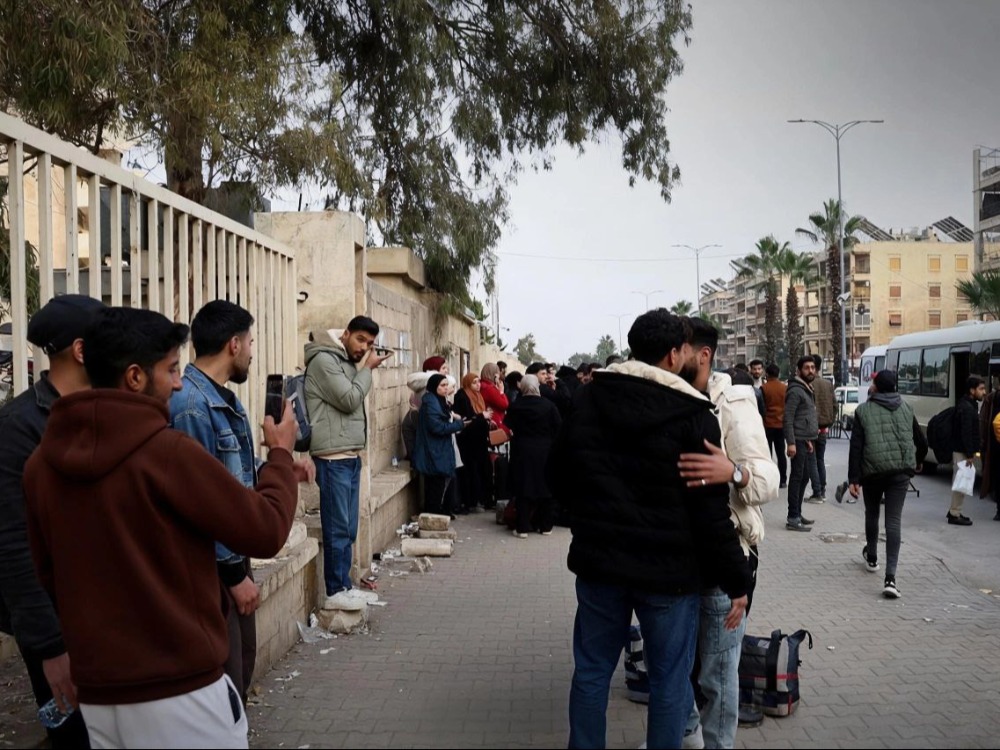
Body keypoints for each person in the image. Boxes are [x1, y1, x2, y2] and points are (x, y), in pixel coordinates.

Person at [23, 306, 300, 749]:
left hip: (100, 698)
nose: (178, 381)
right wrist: (281, 456)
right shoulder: (167, 454)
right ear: (135, 377)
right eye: (171, 369)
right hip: (181, 695)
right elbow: (265, 529)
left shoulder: (41, 466)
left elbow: (49, 575)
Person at [550, 309, 750, 750]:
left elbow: (557, 475)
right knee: (669, 681)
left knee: (591, 673)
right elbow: (709, 513)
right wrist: (738, 578)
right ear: (675, 354)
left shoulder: (588, 400)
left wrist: (590, 515)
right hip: (669, 578)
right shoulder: (694, 415)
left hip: (600, 568)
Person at [169, 300, 314, 703]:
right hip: (214, 565)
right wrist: (233, 576)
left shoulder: (223, 399)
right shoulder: (192, 407)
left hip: (231, 556)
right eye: (250, 341)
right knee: (225, 678)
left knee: (241, 665)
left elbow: (228, 469)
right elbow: (202, 500)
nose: (252, 350)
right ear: (234, 344)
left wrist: (281, 467)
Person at [0, 295, 103, 748]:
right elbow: (13, 545)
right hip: (58, 625)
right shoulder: (18, 427)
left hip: (108, 614)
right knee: (73, 736)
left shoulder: (106, 411)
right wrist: (49, 648)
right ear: (82, 351)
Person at [677, 318, 778, 748]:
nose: (672, 359)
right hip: (672, 556)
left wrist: (733, 472)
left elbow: (768, 481)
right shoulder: (665, 394)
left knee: (718, 673)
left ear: (703, 355)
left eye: (680, 351)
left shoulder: (734, 404)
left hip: (726, 556)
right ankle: (688, 737)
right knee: (674, 666)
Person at [305, 318, 391, 610]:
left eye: (370, 344)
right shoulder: (323, 361)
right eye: (361, 340)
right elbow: (349, 398)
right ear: (345, 334)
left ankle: (344, 585)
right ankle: (334, 591)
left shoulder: (343, 360)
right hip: (331, 458)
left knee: (349, 527)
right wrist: (367, 369)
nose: (365, 348)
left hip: (349, 456)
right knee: (337, 527)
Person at [847, 371, 928, 599]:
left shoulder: (863, 411)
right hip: (901, 472)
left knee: (872, 513)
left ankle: (872, 557)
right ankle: (891, 578)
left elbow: (856, 447)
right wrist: (918, 460)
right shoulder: (906, 407)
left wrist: (854, 479)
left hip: (873, 472)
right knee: (893, 521)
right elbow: (919, 440)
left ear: (875, 386)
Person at [505, 374, 562, 538]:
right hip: (545, 450)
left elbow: (509, 426)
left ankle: (523, 527)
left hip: (522, 450)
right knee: (545, 486)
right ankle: (545, 526)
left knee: (523, 487)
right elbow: (558, 427)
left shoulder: (516, 406)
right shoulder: (549, 406)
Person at [413, 373, 467, 514]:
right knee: (435, 494)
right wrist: (459, 425)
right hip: (434, 454)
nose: (445, 388)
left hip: (439, 452)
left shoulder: (438, 402)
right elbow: (437, 427)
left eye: (446, 385)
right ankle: (432, 521)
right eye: (442, 385)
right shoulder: (431, 404)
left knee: (437, 491)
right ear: (433, 387)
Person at [783, 356, 819, 532]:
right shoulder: (796, 391)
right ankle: (792, 517)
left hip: (804, 440)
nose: (811, 370)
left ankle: (797, 512)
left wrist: (808, 440)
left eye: (813, 367)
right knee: (797, 478)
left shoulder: (806, 388)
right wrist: (791, 443)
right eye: (807, 368)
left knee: (804, 476)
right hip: (796, 440)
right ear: (799, 371)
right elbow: (788, 418)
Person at [452, 373, 495, 513]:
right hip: (468, 442)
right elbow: (466, 419)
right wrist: (482, 416)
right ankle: (470, 502)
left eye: (479, 382)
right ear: (467, 384)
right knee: (471, 471)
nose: (478, 385)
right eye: (474, 382)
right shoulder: (462, 396)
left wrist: (487, 419)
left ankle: (483, 499)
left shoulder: (478, 396)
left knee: (484, 469)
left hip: (480, 441)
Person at [948, 375, 985, 526]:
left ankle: (954, 511)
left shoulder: (968, 405)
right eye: (981, 389)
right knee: (961, 483)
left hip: (963, 450)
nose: (984, 392)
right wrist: (970, 454)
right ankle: (954, 514)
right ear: (972, 390)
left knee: (961, 482)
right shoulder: (967, 408)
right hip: (962, 452)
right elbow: (966, 433)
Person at [808, 354, 836, 503]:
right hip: (824, 428)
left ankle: (817, 492)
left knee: (812, 460)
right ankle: (822, 491)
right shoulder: (827, 384)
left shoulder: (808, 384)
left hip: (810, 429)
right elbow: (835, 406)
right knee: (820, 459)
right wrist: (829, 422)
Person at [761, 363, 787, 488]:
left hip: (767, 425)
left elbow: (762, 407)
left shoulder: (764, 388)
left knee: (768, 453)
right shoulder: (784, 388)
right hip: (781, 424)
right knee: (781, 453)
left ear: (767, 374)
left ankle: (769, 479)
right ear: (778, 374)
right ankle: (783, 479)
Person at [479, 362, 510, 434]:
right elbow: (504, 405)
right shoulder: (490, 388)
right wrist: (501, 391)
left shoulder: (482, 385)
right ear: (494, 375)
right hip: (495, 421)